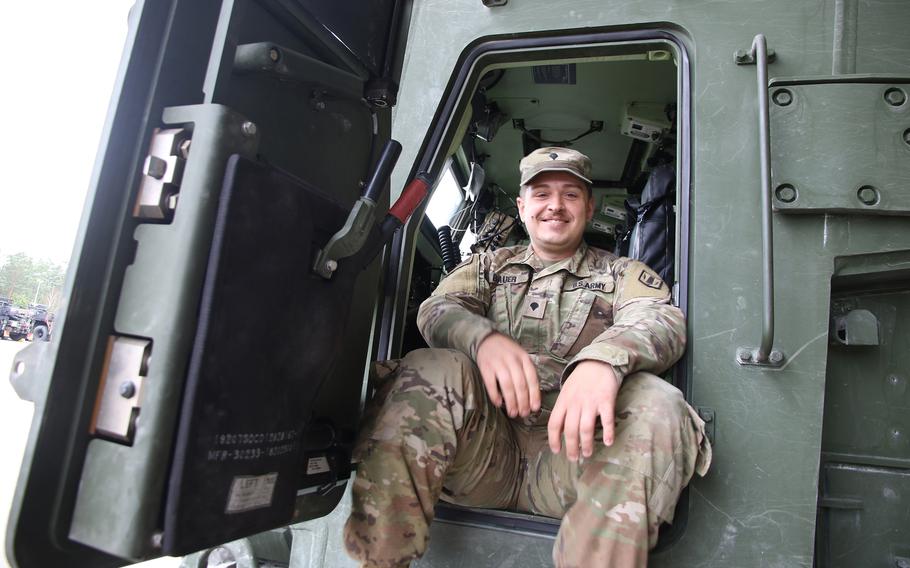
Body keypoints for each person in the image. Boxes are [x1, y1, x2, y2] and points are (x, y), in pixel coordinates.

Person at [344, 147, 712, 568]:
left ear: (589, 208)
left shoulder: (621, 274)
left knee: (657, 401)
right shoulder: (488, 266)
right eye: (541, 194)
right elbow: (438, 309)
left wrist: (603, 362)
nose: (555, 205)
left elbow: (659, 319)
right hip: (484, 454)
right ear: (522, 207)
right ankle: (380, 561)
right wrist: (481, 340)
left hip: (574, 462)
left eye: (570, 195)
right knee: (429, 367)